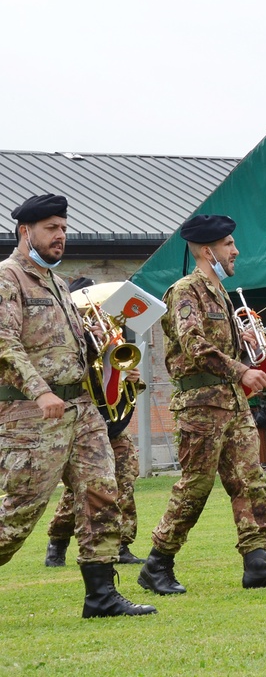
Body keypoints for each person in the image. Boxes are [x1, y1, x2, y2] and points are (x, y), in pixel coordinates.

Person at [0, 194, 155, 618]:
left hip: (82, 411)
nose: (61, 236)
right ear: (25, 231)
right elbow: (4, 344)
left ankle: (101, 597)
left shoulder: (59, 284)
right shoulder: (8, 278)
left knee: (102, 495)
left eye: (64, 229)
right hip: (32, 416)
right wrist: (40, 390)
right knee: (16, 516)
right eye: (52, 228)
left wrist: (114, 373)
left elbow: (77, 350)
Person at [137, 214, 266, 594]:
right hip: (201, 405)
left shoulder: (221, 293)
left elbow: (216, 344)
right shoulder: (186, 290)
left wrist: (243, 338)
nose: (236, 251)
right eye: (229, 244)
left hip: (231, 403)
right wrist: (242, 370)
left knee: (250, 480)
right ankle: (157, 563)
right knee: (195, 486)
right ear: (206, 249)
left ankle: (257, 561)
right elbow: (195, 345)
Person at [44, 277, 147, 568]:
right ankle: (58, 541)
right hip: (86, 421)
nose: (97, 315)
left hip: (114, 424)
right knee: (80, 489)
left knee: (125, 480)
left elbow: (121, 380)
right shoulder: (70, 337)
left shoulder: (112, 336)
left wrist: (132, 377)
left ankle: (122, 544)